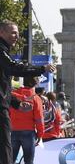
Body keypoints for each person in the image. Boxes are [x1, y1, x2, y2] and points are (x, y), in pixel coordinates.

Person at [0, 20, 56, 164]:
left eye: (18, 33)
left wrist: (16, 103)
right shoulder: (1, 51)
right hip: (22, 129)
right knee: (6, 149)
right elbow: (14, 68)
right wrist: (41, 69)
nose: (16, 36)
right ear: (1, 32)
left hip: (10, 119)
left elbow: (3, 88)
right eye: (13, 32)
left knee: (6, 149)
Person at [10, 76, 44, 164]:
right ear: (35, 84)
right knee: (28, 161)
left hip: (13, 131)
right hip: (29, 133)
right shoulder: (36, 98)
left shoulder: (13, 95)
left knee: (10, 160)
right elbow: (39, 119)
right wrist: (40, 134)